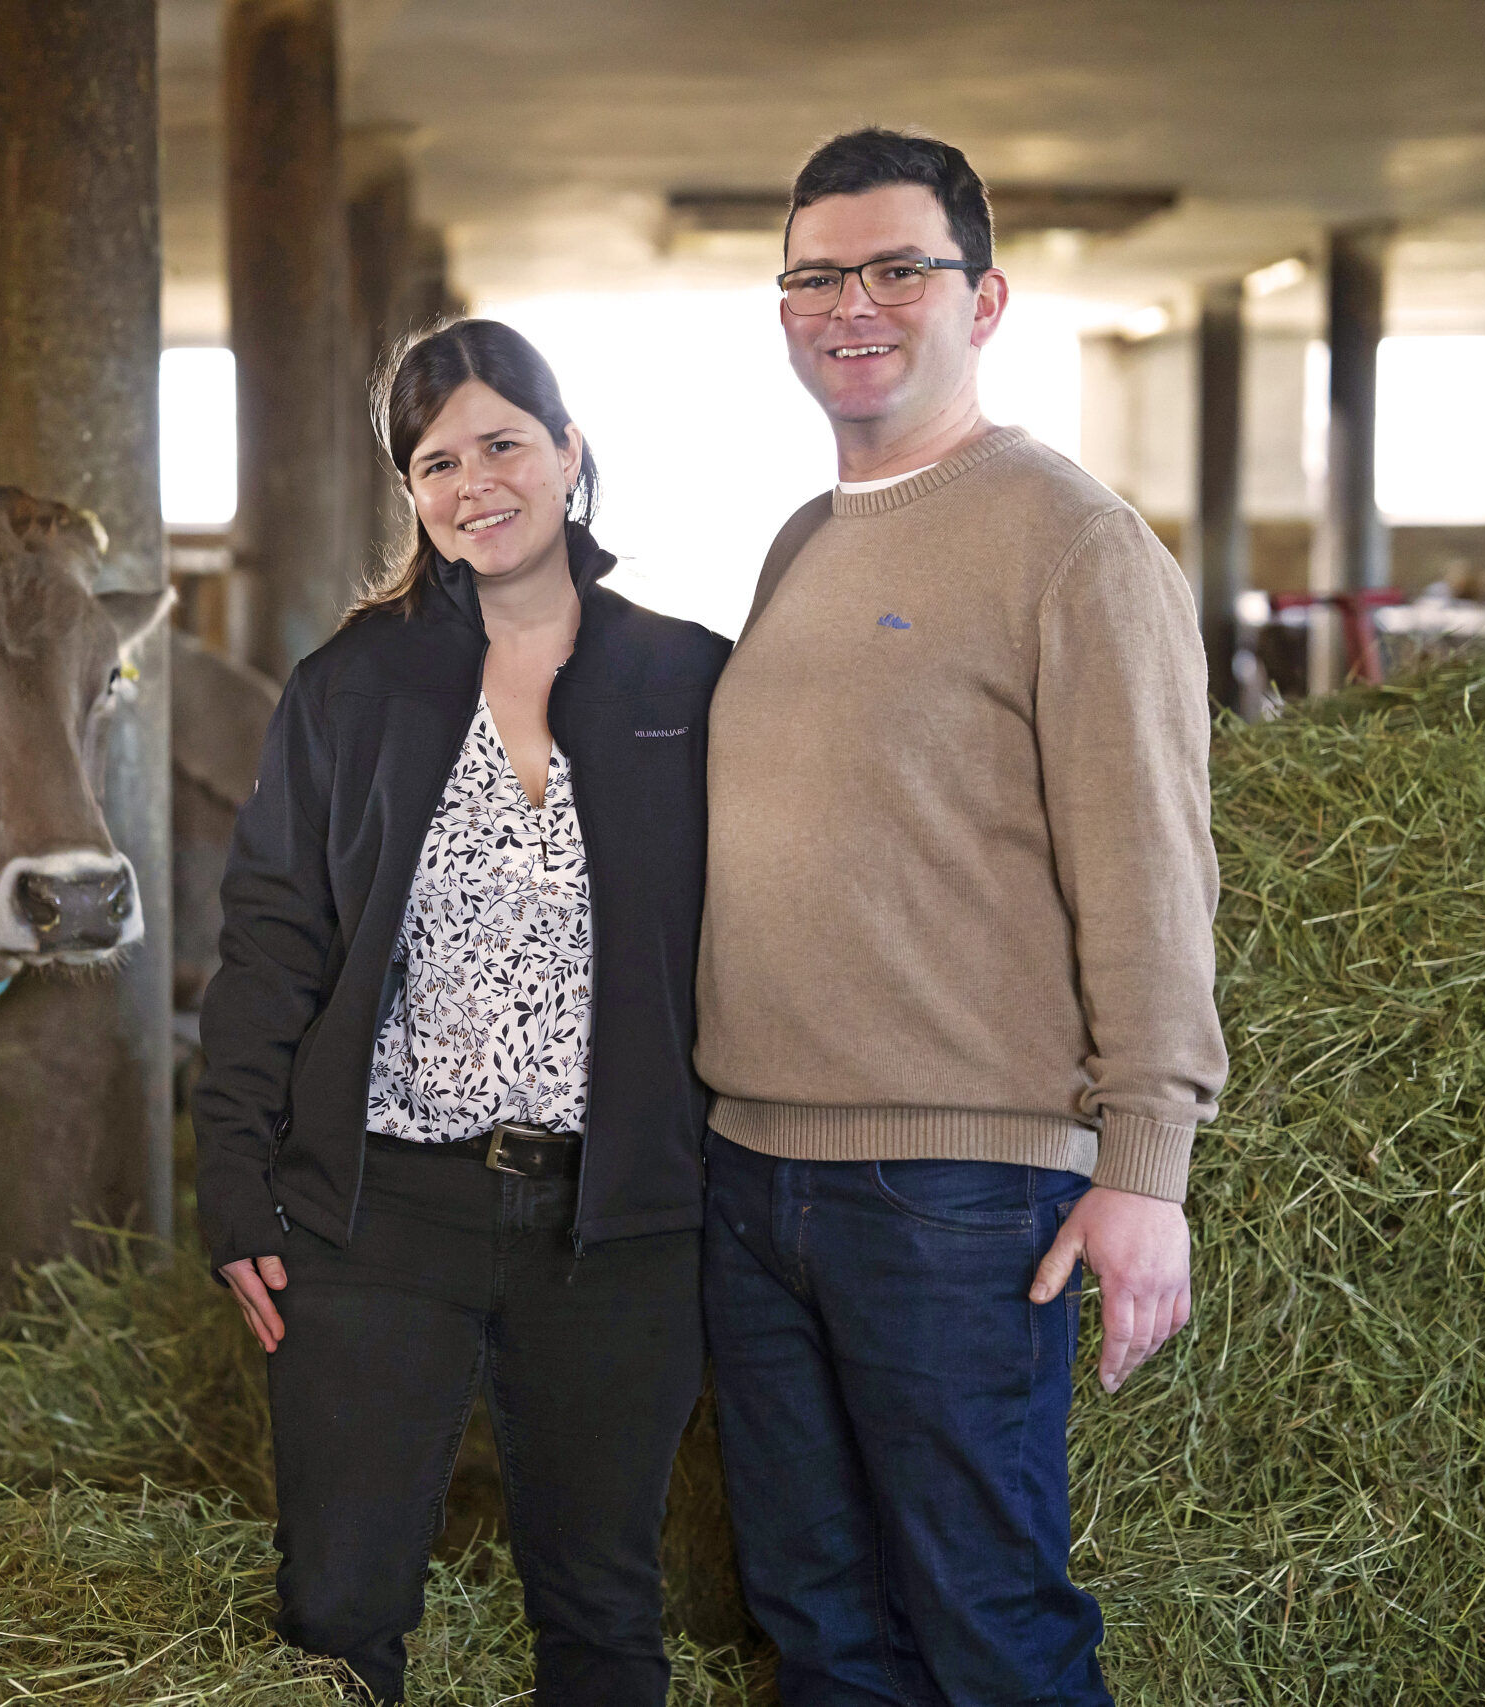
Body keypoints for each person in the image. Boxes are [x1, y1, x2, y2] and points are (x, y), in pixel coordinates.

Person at [695, 127, 1229, 1705]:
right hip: (755, 1172)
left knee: (986, 1623)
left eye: (895, 269)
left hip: (955, 1191)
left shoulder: (1070, 542)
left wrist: (1151, 1166)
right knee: (816, 1624)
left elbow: (1149, 866)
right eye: (814, 274)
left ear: (982, 300)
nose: (849, 303)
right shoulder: (804, 540)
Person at [193, 318, 730, 1705]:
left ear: (569, 455)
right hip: (385, 1207)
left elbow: (764, 932)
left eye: (503, 442)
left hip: (618, 1220)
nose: (474, 480)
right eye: (437, 462)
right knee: (339, 1597)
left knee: (602, 1600)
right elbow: (269, 945)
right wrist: (237, 1186)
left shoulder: (689, 679)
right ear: (414, 497)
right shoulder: (349, 689)